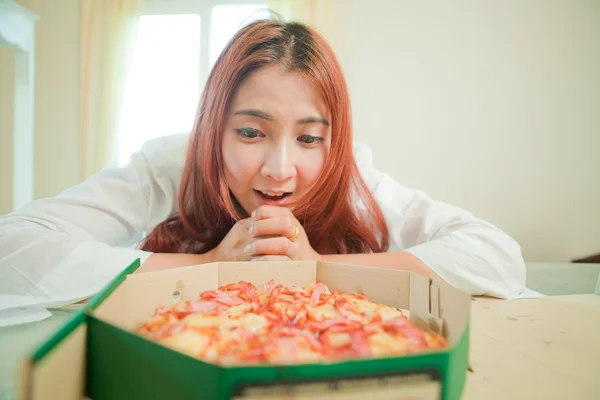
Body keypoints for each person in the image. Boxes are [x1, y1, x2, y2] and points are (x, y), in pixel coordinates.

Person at [0, 19, 525, 324]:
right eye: (251, 133)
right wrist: (205, 265)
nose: (280, 170)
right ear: (213, 129)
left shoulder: (352, 179)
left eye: (309, 138)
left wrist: (320, 266)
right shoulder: (168, 167)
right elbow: (14, 247)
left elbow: (494, 256)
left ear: (333, 142)